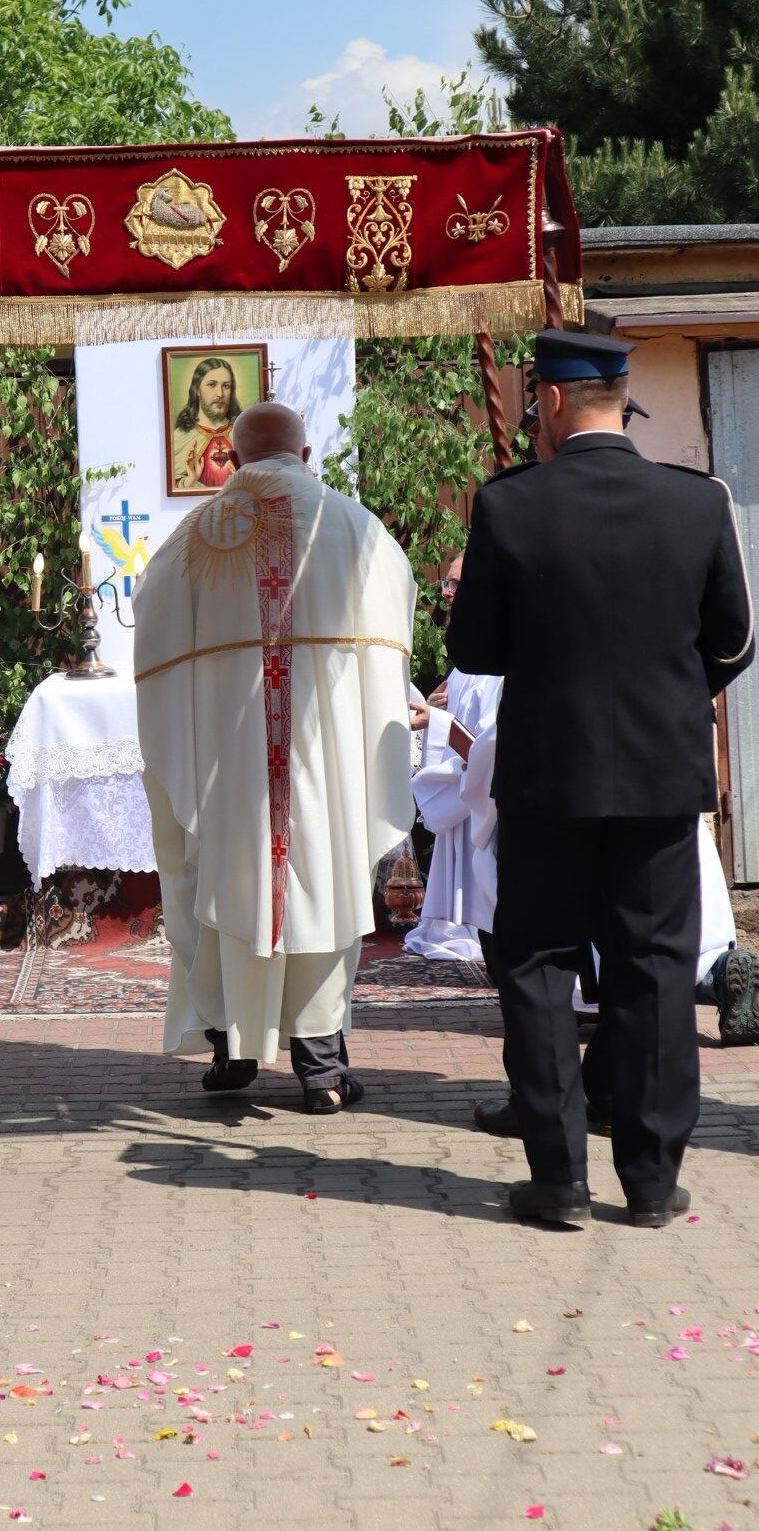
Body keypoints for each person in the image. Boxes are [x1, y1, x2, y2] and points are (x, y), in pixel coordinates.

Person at [448, 327, 755, 1229]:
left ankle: (560, 1180)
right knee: (654, 969)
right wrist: (667, 696)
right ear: (622, 400)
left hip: (547, 774)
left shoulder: (508, 505)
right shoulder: (697, 501)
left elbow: (473, 647)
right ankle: (652, 1184)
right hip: (661, 776)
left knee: (540, 963)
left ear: (548, 400)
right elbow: (734, 641)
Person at [135, 400, 416, 1110]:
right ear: (307, 455)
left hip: (229, 765)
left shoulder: (195, 533)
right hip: (323, 756)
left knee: (228, 883)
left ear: (231, 457)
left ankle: (233, 1053)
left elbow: (153, 624)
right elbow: (396, 617)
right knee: (323, 881)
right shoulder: (357, 527)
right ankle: (321, 1071)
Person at [405, 554, 502, 964]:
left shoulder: (500, 663)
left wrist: (439, 721)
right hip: (462, 792)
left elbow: (493, 748)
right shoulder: (467, 663)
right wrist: (433, 712)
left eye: (457, 584)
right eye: (446, 582)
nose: (446, 592)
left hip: (485, 807)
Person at [171, 357, 241, 492]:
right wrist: (190, 481)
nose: (220, 394)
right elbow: (171, 485)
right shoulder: (180, 437)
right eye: (212, 385)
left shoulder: (243, 433)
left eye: (226, 386)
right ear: (197, 389)